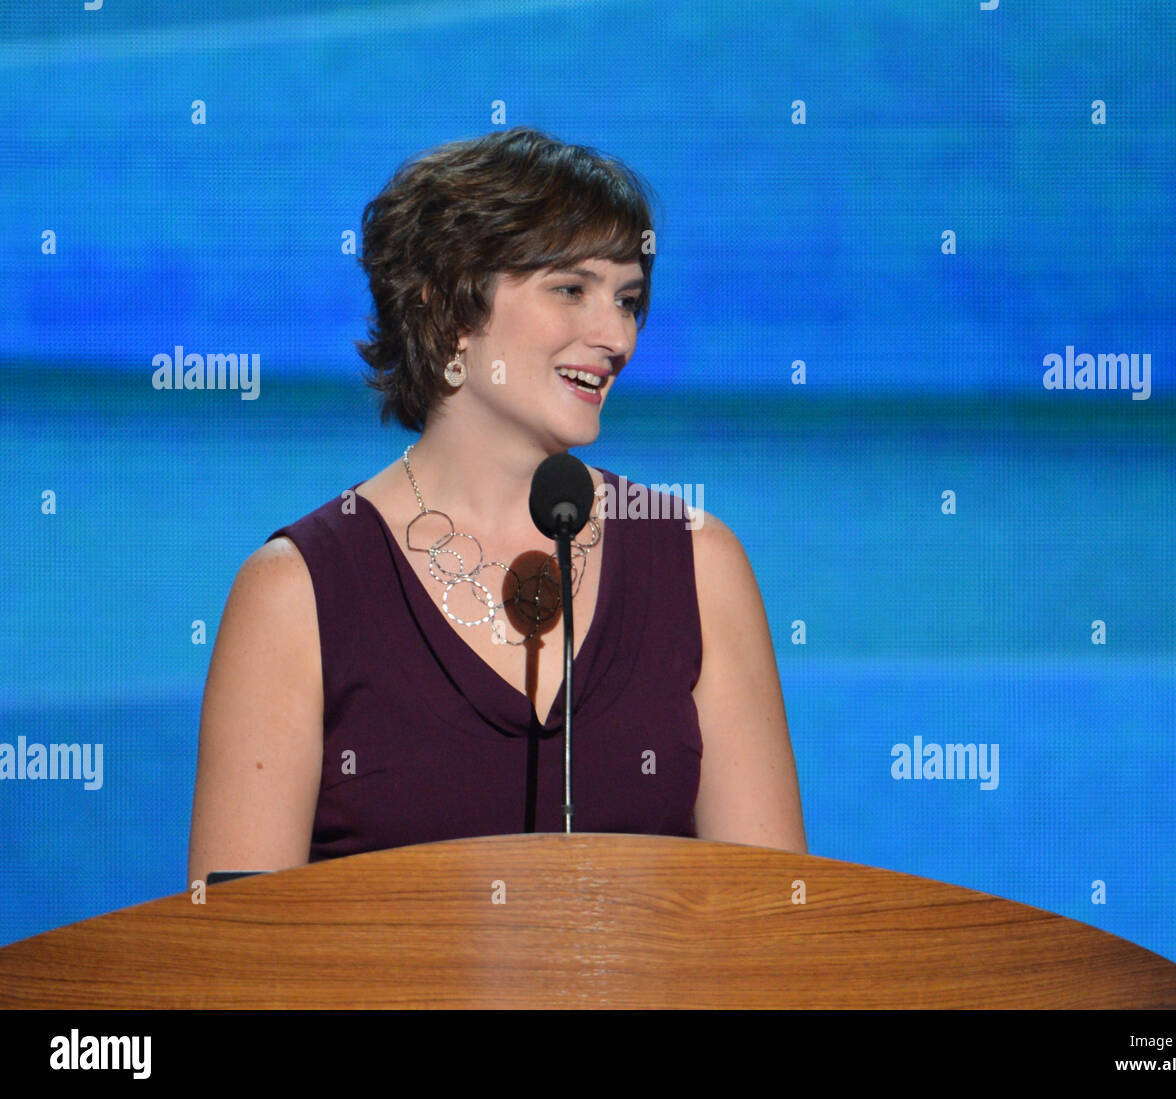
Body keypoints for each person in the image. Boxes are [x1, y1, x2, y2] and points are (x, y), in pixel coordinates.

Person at [187, 128, 806, 887]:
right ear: (446, 306)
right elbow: (237, 966)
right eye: (572, 289)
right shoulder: (297, 592)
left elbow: (779, 924)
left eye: (629, 300)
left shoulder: (697, 563)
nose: (616, 337)